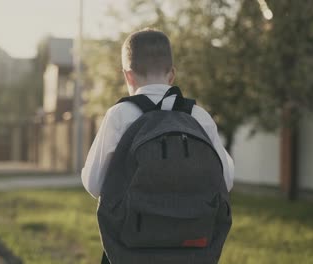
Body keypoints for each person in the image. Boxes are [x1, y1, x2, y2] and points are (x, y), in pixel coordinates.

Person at [81, 28, 234, 264]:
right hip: (192, 246)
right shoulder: (198, 116)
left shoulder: (120, 115)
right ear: (172, 74)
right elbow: (226, 180)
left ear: (127, 76)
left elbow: (94, 183)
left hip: (132, 246)